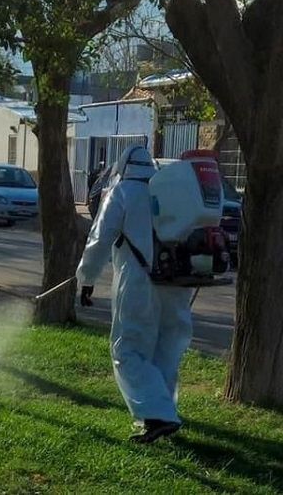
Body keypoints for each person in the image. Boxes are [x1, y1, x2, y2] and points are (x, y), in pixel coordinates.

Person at [76, 144, 194, 444]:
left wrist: (87, 278)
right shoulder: (170, 191)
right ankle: (166, 413)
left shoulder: (123, 191)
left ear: (122, 167)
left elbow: (100, 238)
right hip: (177, 282)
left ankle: (158, 416)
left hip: (140, 282)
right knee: (165, 351)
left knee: (127, 350)